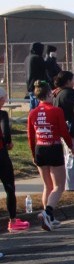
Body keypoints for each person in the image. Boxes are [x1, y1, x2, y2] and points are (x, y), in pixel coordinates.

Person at [27, 82, 73, 230]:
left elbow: (30, 136)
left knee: (47, 186)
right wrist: (71, 147)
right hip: (53, 147)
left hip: (40, 148)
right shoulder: (56, 111)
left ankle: (49, 219)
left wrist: (33, 153)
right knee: (59, 186)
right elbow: (64, 132)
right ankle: (47, 212)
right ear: (48, 94)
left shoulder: (32, 112)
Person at [0, 88, 29, 233]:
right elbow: (5, 132)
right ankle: (12, 220)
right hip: (1, 154)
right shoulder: (2, 114)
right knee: (9, 186)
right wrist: (8, 142)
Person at [53, 71, 74, 192]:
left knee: (70, 157)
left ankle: (72, 183)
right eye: (72, 80)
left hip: (65, 130)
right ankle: (73, 185)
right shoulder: (68, 94)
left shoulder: (58, 93)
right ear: (67, 81)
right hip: (72, 130)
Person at [24, 42, 48, 109]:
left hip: (29, 85)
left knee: (32, 105)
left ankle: (32, 114)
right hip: (38, 85)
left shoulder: (27, 58)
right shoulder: (37, 58)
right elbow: (45, 66)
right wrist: (50, 59)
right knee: (38, 105)